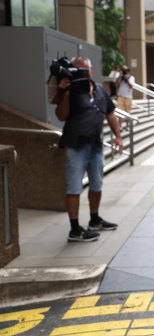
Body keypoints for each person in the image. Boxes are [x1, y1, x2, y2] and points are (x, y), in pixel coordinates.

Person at [54, 56, 123, 242]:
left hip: (96, 145)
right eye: (79, 68)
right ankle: (75, 229)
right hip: (76, 145)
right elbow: (61, 116)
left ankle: (94, 219)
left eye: (87, 68)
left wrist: (118, 136)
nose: (85, 71)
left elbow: (111, 114)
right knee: (74, 186)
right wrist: (66, 92)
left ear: (91, 69)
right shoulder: (71, 90)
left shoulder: (100, 89)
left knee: (96, 183)